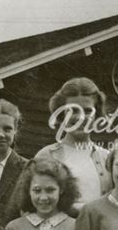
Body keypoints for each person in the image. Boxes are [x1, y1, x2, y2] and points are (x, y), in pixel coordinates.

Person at [34, 76, 112, 212]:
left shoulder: (107, 158)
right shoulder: (46, 156)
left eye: (88, 111)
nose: (80, 117)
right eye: (73, 110)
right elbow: (33, 204)